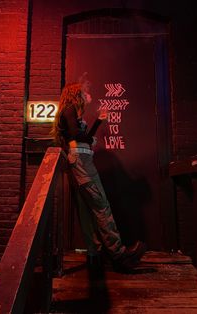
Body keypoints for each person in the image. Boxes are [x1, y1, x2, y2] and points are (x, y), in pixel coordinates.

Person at [52, 82, 146, 272]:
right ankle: (119, 254)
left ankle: (95, 254)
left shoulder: (72, 112)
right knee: (101, 206)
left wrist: (97, 122)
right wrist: (90, 139)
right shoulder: (70, 109)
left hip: (81, 162)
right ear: (76, 94)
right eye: (85, 91)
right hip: (82, 163)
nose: (88, 93)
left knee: (88, 212)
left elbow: (82, 136)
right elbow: (77, 135)